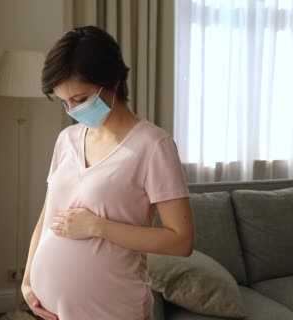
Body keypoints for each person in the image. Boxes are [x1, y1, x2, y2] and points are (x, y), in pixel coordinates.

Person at [21, 25, 194, 320]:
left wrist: (98, 227)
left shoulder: (153, 146)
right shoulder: (67, 139)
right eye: (64, 102)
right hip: (54, 311)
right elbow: (48, 215)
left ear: (111, 81)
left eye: (80, 98)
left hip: (114, 308)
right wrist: (27, 281)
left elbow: (181, 241)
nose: (72, 109)